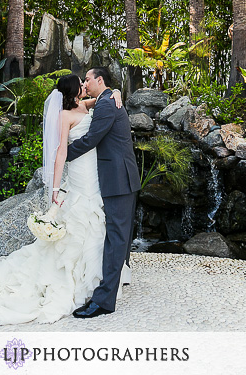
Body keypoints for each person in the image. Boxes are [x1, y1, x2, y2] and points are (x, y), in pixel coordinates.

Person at [0, 74, 124, 325]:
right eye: (81, 84)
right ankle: (75, 280)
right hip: (80, 174)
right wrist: (56, 187)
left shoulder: (84, 105)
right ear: (72, 91)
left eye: (86, 82)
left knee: (95, 222)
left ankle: (96, 279)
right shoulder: (64, 116)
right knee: (80, 219)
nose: (84, 86)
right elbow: (61, 151)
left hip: (95, 172)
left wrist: (115, 92)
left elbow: (102, 99)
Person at [68, 67, 141, 319]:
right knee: (120, 236)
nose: (85, 84)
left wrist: (61, 155)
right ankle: (121, 279)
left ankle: (104, 301)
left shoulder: (107, 104)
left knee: (115, 239)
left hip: (118, 181)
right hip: (119, 179)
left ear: (100, 80)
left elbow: (91, 139)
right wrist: (115, 90)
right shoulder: (106, 99)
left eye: (88, 79)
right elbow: (80, 102)